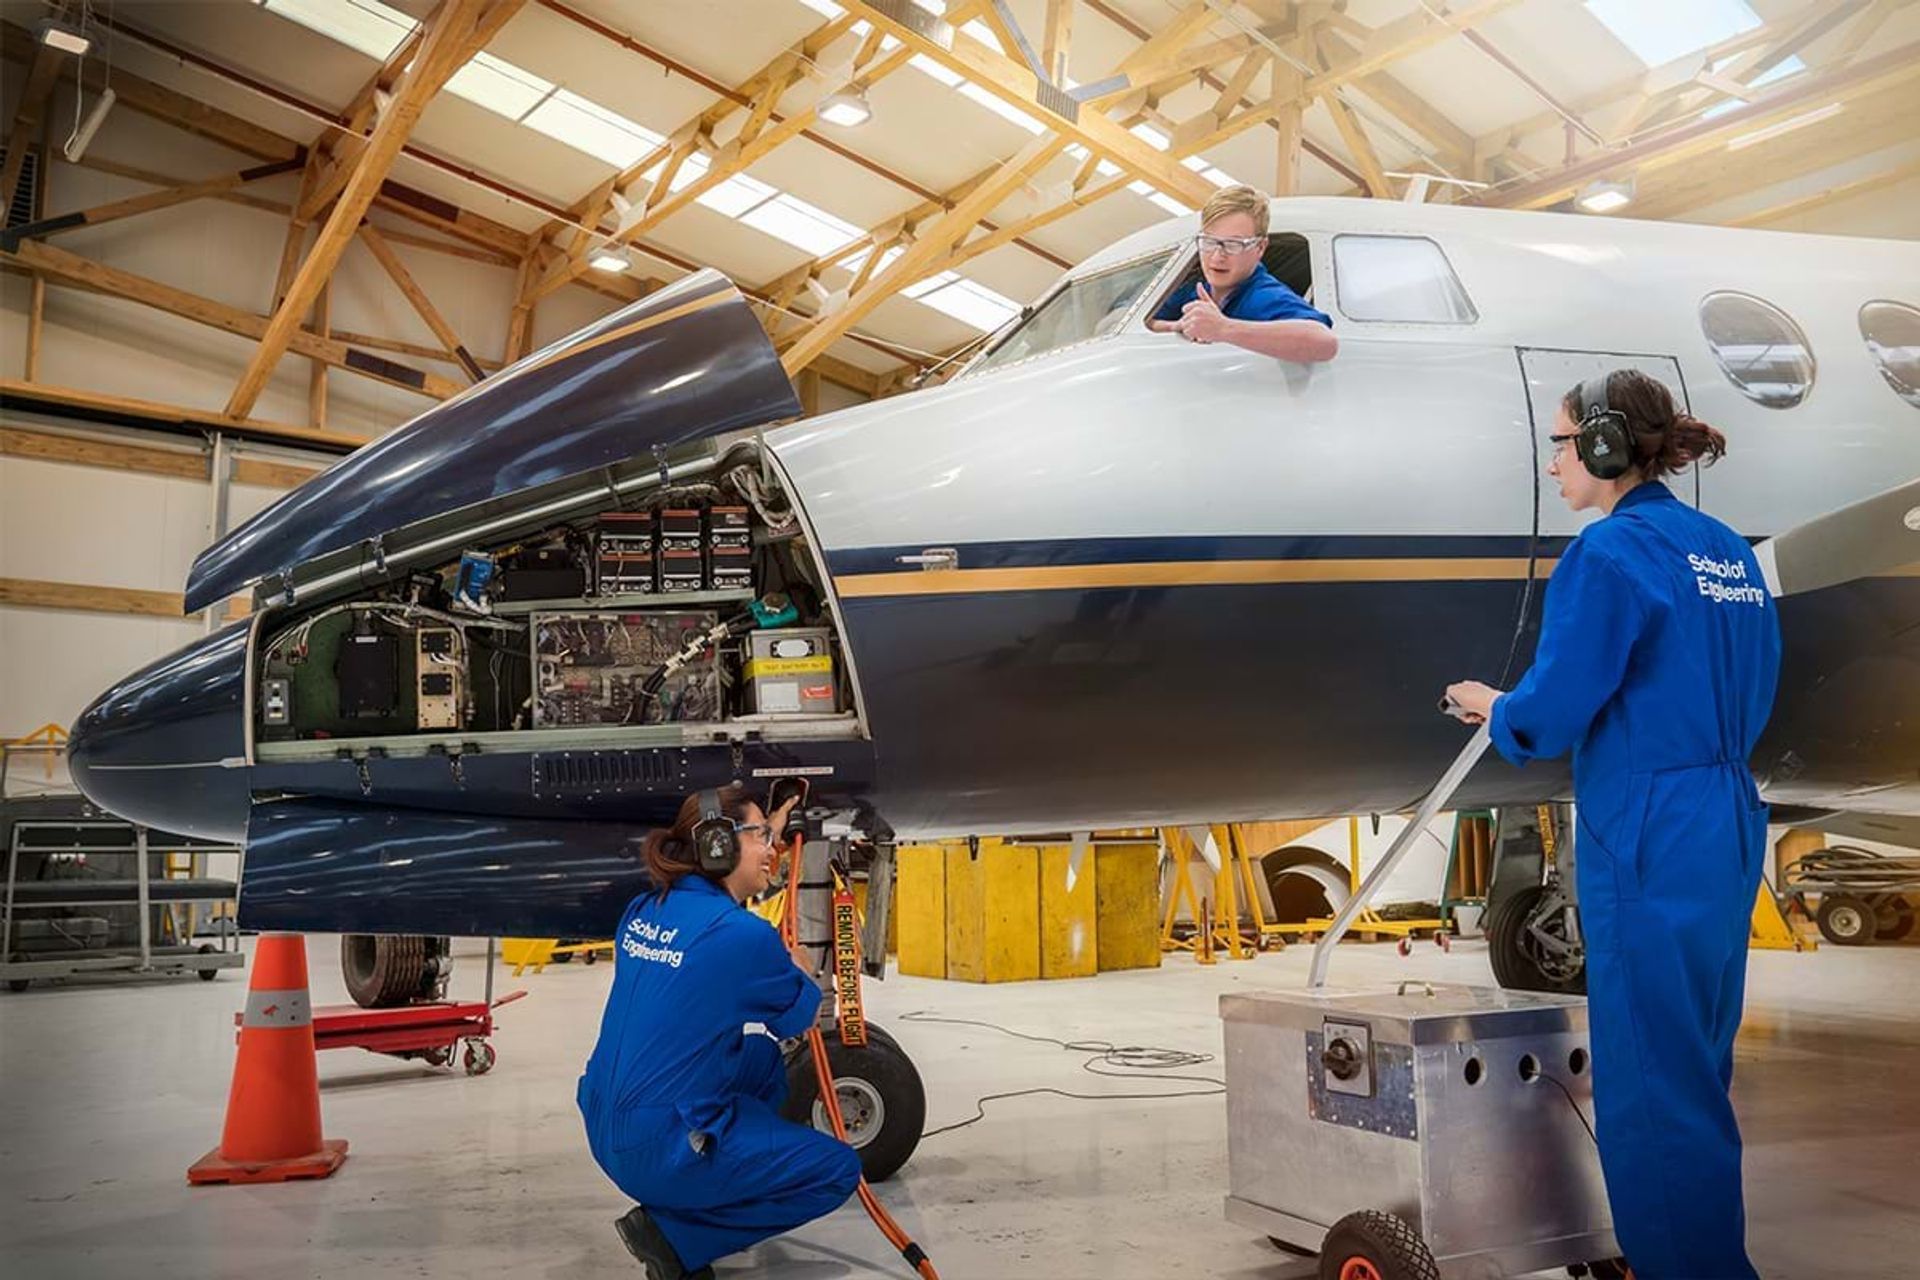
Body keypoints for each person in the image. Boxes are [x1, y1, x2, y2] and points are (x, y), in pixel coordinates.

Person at [1446, 369, 1780, 1280]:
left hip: (1649, 824)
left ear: (1600, 445)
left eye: (1558, 445)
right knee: (1698, 1066)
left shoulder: (1606, 555)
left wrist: (1497, 705)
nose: (1552, 466)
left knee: (1646, 1080)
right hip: (1728, 818)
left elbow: (1554, 712)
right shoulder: (1729, 551)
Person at [578, 785, 860, 1280]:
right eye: (760, 838)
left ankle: (720, 1167)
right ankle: (679, 1239)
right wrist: (797, 968)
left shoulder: (644, 909)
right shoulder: (742, 936)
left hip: (603, 1123)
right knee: (837, 1170)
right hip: (655, 1150)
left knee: (758, 1057)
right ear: (718, 845)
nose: (772, 850)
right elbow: (798, 1019)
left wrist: (766, 827)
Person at [1148, 183, 1337, 363]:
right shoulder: (1194, 291)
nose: (1217, 256)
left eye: (1233, 245)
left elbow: (1324, 342)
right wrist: (1177, 326)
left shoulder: (1264, 296)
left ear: (1260, 247)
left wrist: (1223, 328)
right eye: (1209, 242)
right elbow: (1149, 321)